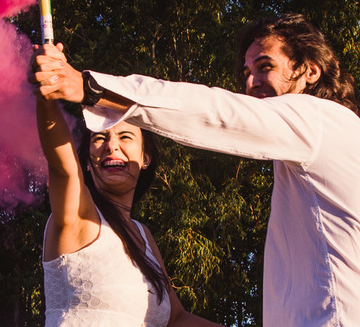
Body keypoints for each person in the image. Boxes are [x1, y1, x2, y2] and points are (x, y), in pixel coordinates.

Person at [32, 14, 360, 327]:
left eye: (265, 66)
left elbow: (216, 111)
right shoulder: (349, 152)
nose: (251, 82)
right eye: (247, 71)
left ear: (308, 71)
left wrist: (90, 87)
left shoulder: (318, 120)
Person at [34, 43, 223, 327]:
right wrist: (47, 94)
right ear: (87, 160)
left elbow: (177, 319)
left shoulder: (143, 236)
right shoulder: (79, 216)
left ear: (145, 157)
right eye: (99, 138)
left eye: (125, 137)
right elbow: (63, 169)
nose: (111, 146)